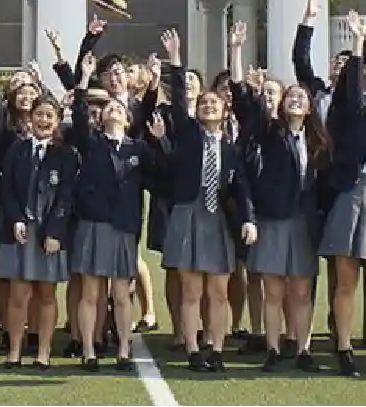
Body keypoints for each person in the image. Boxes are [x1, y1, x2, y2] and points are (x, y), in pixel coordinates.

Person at [302, 5, 366, 378]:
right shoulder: (356, 119)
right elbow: (349, 89)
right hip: (350, 197)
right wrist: (362, 43)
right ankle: (344, 346)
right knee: (346, 282)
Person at [155, 27, 255, 373]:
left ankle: (217, 348)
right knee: (191, 290)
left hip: (218, 222)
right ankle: (194, 348)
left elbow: (241, 188)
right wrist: (176, 60)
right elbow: (180, 99)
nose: (209, 105)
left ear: (225, 111)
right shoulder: (187, 136)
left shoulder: (231, 150)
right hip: (188, 215)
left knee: (219, 291)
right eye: (204, 103)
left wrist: (248, 220)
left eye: (215, 102)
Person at [231, 20, 323, 372]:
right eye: (291, 97)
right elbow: (241, 97)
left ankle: (303, 350)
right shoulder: (269, 132)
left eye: (302, 97)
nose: (296, 99)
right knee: (273, 291)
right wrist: (237, 50)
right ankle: (272, 349)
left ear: (310, 107)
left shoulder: (318, 142)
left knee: (301, 291)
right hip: (272, 219)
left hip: (304, 223)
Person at [66, 86, 151, 373]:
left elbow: (161, 172)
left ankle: (124, 348)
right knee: (90, 293)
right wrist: (84, 81)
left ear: (128, 119)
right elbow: (78, 119)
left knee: (121, 294)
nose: (113, 110)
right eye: (109, 108)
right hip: (93, 225)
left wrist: (162, 141)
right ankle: (89, 349)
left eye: (119, 108)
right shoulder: (91, 143)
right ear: (101, 116)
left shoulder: (138, 148)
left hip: (123, 227)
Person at [0, 95, 77, 368]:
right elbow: (6, 189)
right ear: (30, 118)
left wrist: (55, 232)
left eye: (49, 116)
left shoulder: (65, 155)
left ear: (57, 122)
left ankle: (43, 352)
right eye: (39, 114)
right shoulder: (16, 150)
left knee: (46, 294)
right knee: (18, 295)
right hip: (20, 232)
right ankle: (15, 351)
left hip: (49, 234)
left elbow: (66, 197)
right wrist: (16, 219)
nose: (43, 120)